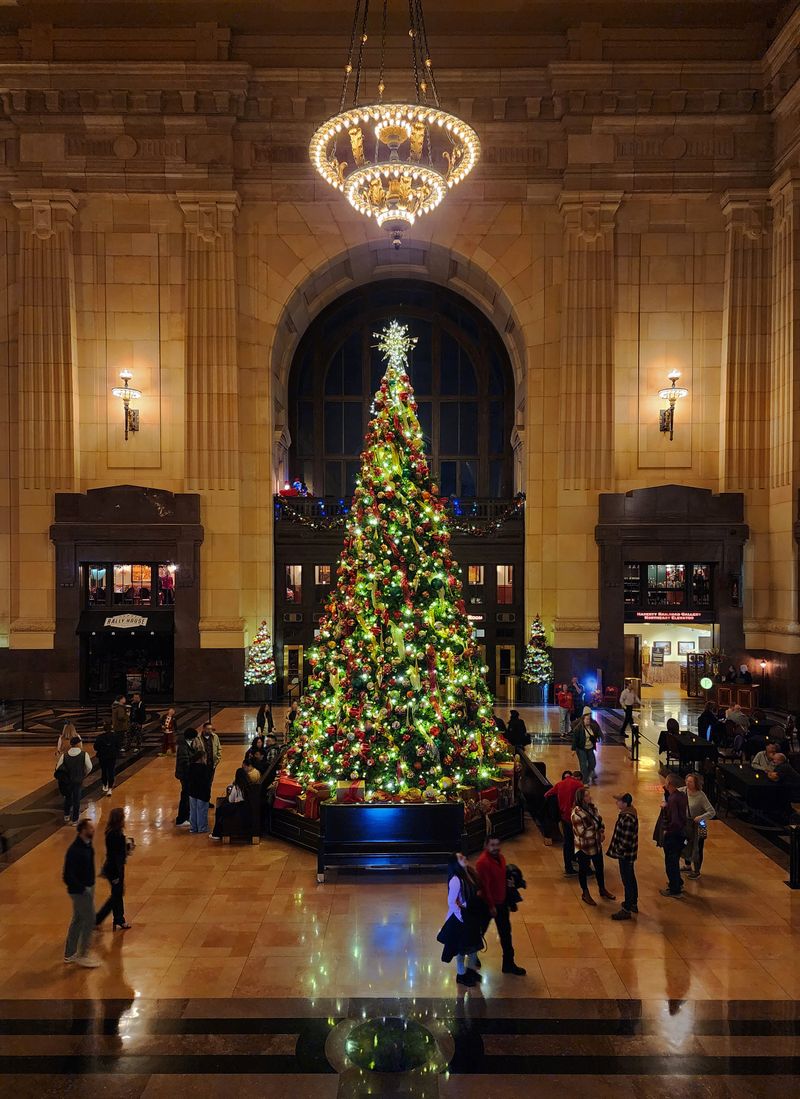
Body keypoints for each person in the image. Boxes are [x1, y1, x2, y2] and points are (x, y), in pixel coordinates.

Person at [475, 836, 526, 975]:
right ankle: (472, 957)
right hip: (487, 905)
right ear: (486, 846)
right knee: (479, 931)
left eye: (497, 845)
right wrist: (491, 906)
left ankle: (508, 964)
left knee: (506, 934)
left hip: (501, 902)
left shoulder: (501, 858)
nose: (495, 848)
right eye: (492, 845)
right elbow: (484, 887)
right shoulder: (482, 863)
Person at [438, 852, 483, 987]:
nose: (465, 858)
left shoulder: (469, 872)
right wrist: (462, 917)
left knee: (472, 947)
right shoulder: (456, 880)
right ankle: (461, 974)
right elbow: (451, 902)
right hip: (461, 918)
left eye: (463, 856)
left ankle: (469, 972)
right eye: (461, 858)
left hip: (470, 915)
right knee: (462, 949)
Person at [62, 818, 100, 967]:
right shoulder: (74, 851)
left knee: (78, 919)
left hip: (88, 887)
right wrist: (82, 889)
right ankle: (83, 954)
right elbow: (67, 875)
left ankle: (70, 953)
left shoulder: (87, 845)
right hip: (80, 891)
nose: (93, 830)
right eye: (91, 828)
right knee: (90, 920)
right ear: (83, 830)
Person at [571, 785, 615, 907]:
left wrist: (601, 830)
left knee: (599, 868)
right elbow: (582, 832)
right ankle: (585, 893)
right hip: (584, 847)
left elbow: (600, 821)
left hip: (596, 845)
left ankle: (602, 888)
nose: (589, 797)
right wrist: (597, 832)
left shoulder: (592, 808)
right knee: (583, 870)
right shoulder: (576, 813)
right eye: (586, 795)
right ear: (581, 798)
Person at [95, 807, 132, 930]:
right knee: (116, 895)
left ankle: (118, 919)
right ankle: (100, 919)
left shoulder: (113, 832)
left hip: (114, 868)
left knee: (117, 894)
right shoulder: (115, 834)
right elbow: (116, 855)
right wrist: (116, 875)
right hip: (114, 869)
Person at [544, 769, 584, 875]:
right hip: (575, 818)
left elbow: (547, 795)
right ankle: (580, 864)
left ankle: (568, 867)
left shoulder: (559, 784)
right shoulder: (578, 785)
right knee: (578, 841)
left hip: (564, 817)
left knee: (567, 842)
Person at [606, 793, 638, 919]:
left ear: (625, 803)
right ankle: (633, 902)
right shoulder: (628, 813)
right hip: (628, 854)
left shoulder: (627, 818)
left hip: (625, 855)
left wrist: (618, 850)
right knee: (631, 878)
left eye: (619, 801)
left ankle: (627, 909)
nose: (616, 803)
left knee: (627, 881)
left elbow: (626, 839)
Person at [659, 773, 689, 898]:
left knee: (670, 862)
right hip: (681, 834)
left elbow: (675, 820)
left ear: (670, 784)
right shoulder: (682, 796)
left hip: (673, 835)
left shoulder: (672, 799)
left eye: (666, 782)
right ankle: (677, 882)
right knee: (675, 860)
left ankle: (674, 889)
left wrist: (667, 831)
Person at [680, 773, 715, 879]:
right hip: (687, 824)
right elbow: (669, 793)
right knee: (686, 844)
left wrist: (701, 817)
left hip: (698, 825)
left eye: (690, 782)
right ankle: (687, 865)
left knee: (697, 847)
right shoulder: (683, 791)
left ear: (696, 783)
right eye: (687, 781)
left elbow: (711, 812)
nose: (687, 783)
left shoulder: (701, 796)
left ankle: (697, 870)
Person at [56, 735, 93, 824]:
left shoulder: (65, 756)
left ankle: (66, 815)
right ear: (78, 744)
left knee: (68, 798)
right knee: (76, 800)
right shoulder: (84, 754)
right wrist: (84, 774)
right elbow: (89, 767)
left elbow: (58, 768)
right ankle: (75, 819)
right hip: (78, 780)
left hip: (67, 781)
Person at [211, 767, 253, 840]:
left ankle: (216, 833)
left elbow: (231, 800)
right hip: (246, 808)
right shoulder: (249, 785)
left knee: (219, 810)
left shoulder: (236, 786)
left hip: (238, 808)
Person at [571, 706, 601, 784]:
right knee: (583, 765)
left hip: (590, 748)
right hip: (581, 748)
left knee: (592, 763)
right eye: (587, 718)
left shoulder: (593, 725)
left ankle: (587, 775)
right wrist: (573, 749)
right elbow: (575, 739)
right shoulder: (578, 728)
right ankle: (585, 782)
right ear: (583, 718)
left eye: (589, 718)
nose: (588, 720)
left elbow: (597, 733)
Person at [174, 728, 196, 826]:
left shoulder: (185, 744)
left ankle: (186, 816)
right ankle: (181, 818)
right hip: (185, 775)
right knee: (185, 796)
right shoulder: (183, 747)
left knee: (187, 796)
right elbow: (185, 762)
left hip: (187, 775)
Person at [187, 750, 212, 834]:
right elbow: (207, 781)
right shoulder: (205, 768)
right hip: (202, 793)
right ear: (202, 758)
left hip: (192, 792)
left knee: (193, 811)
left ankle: (193, 828)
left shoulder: (190, 766)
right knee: (202, 811)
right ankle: (202, 828)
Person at [93, 722, 119, 796]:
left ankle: (105, 785)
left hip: (102, 756)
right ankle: (110, 788)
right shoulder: (115, 736)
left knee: (104, 771)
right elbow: (118, 746)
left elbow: (95, 747)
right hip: (112, 756)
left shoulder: (99, 737)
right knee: (111, 771)